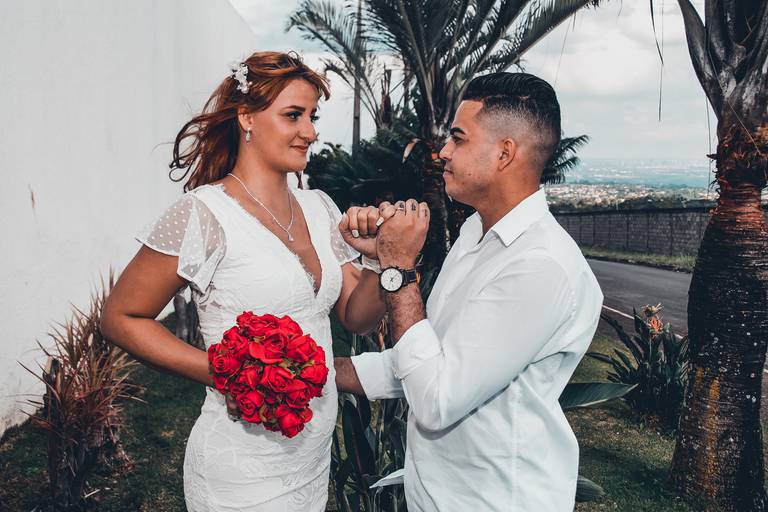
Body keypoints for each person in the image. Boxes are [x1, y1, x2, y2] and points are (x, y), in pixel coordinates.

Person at [100, 51, 393, 512]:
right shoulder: (203, 213)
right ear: (246, 118)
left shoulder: (320, 208)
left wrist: (378, 262)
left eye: (312, 116)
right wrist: (225, 373)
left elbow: (357, 319)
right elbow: (121, 317)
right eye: (293, 115)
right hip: (240, 465)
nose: (310, 132)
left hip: (311, 457)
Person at [334, 72, 604, 511]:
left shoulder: (540, 266)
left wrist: (398, 269)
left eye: (458, 138)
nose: (443, 151)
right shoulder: (475, 232)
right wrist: (313, 370)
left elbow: (436, 399)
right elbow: (427, 359)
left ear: (504, 153)